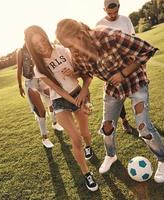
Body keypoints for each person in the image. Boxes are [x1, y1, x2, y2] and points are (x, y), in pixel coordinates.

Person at [56, 19, 164, 183]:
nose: (72, 50)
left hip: (135, 82)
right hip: (113, 89)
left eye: (72, 44)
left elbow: (147, 50)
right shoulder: (76, 51)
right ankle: (111, 155)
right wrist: (75, 75)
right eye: (68, 47)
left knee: (143, 126)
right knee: (107, 127)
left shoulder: (109, 36)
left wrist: (123, 73)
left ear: (81, 34)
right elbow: (85, 73)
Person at [24, 25, 98, 191]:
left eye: (42, 40)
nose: (42, 45)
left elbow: (85, 73)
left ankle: (89, 147)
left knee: (85, 134)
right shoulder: (39, 67)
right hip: (60, 101)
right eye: (36, 45)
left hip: (78, 93)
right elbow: (57, 90)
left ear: (46, 36)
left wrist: (77, 82)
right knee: (75, 138)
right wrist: (75, 101)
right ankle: (87, 174)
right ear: (32, 48)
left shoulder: (63, 50)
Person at [96, 0, 135, 134]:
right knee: (118, 96)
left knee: (137, 93)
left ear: (119, 6)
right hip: (112, 68)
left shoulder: (125, 20)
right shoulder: (99, 25)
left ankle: (141, 119)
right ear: (104, 9)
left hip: (130, 64)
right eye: (109, 12)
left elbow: (133, 39)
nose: (113, 15)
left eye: (115, 12)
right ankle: (124, 120)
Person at [16, 44, 64, 149]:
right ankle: (45, 138)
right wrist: (20, 86)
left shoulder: (37, 48)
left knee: (51, 100)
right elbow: (19, 69)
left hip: (41, 79)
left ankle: (55, 123)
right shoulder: (20, 51)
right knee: (41, 111)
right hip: (30, 82)